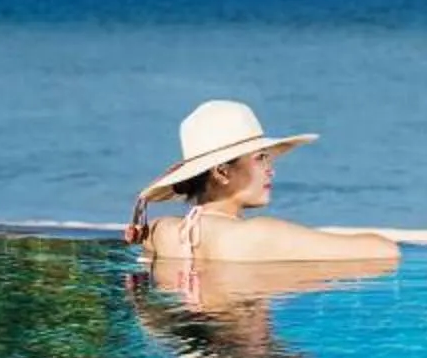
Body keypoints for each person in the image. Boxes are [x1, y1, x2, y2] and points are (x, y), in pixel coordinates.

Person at [127, 98, 399, 270]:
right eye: (260, 159)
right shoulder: (258, 235)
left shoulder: (160, 232)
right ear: (222, 172)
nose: (271, 171)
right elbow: (386, 252)